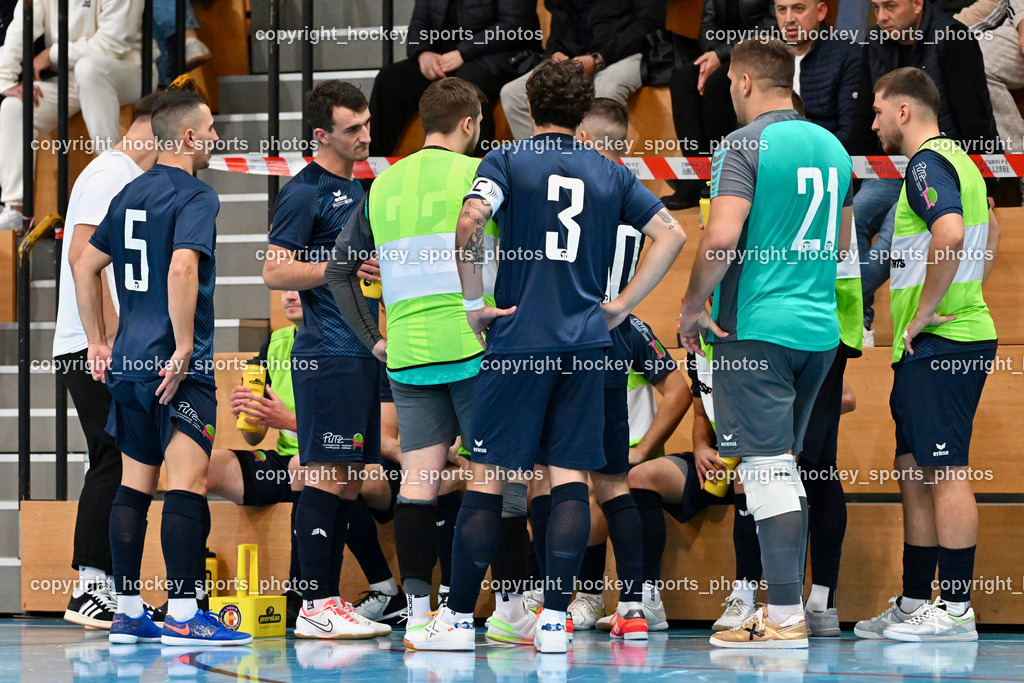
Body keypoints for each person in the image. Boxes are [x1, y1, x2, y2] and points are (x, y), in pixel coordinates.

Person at [405, 58, 686, 654]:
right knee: (568, 482)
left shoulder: (504, 160)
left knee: (487, 481)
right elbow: (674, 234)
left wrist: (475, 302)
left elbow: (468, 223)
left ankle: (455, 623)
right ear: (583, 112)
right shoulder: (610, 172)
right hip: (586, 346)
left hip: (519, 343)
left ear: (529, 108)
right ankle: (555, 623)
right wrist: (621, 305)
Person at [328, 77, 533, 642]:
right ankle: (513, 614)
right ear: (470, 124)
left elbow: (338, 271)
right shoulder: (480, 175)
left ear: (423, 122)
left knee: (418, 481)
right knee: (501, 482)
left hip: (410, 355)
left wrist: (374, 338)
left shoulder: (383, 183)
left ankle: (420, 611)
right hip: (475, 348)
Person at [677, 38, 853, 648]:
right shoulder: (832, 145)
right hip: (820, 332)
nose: (729, 94)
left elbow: (721, 238)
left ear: (747, 81)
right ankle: (785, 608)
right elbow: (843, 243)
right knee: (788, 470)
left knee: (769, 470)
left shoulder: (742, 145)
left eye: (730, 84)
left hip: (757, 330)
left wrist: (693, 304)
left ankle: (781, 616)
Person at [72, 90, 252, 646]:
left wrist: (100, 341)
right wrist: (180, 349)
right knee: (188, 485)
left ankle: (127, 612)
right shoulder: (197, 195)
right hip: (177, 368)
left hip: (127, 364)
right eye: (212, 129)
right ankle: (182, 612)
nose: (217, 138)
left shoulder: (129, 193)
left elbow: (84, 265)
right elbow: (181, 270)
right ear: (190, 138)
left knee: (132, 485)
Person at [854, 67, 998, 642]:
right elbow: (992, 235)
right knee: (914, 470)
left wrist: (926, 311)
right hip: (932, 343)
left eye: (878, 111)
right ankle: (916, 601)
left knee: (945, 469)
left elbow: (952, 235)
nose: (874, 122)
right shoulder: (964, 162)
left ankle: (957, 608)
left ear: (904, 112)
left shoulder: (926, 164)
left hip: (944, 341)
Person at [557, 99, 691, 636]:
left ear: (586, 140)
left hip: (571, 334)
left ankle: (571, 602)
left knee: (570, 477)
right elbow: (673, 237)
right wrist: (624, 305)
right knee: (608, 479)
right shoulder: (632, 193)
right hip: (609, 332)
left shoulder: (575, 184)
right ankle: (629, 603)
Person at [262, 80, 391, 640]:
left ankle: (325, 600)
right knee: (325, 476)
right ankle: (314, 603)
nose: (365, 136)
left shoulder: (362, 187)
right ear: (321, 134)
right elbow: (273, 270)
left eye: (366, 125)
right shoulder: (304, 191)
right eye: (352, 129)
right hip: (327, 354)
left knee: (346, 482)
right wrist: (336, 269)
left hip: (363, 352)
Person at [58, 91, 161, 630]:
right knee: (112, 455)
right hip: (93, 343)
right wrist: (108, 338)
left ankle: (115, 591)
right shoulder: (109, 175)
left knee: (122, 455)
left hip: (109, 342)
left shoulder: (129, 179)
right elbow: (82, 258)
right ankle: (89, 588)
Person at [850, 0, 998, 341]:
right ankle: (861, 319)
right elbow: (863, 117)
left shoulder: (953, 38)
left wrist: (985, 184)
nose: (882, 16)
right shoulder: (874, 40)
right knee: (852, 215)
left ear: (917, 5)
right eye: (875, 8)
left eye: (890, 6)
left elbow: (975, 114)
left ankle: (838, 305)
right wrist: (851, 179)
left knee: (890, 241)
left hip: (937, 164)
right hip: (887, 166)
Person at [0, 0, 153, 230]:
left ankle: (115, 184)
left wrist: (51, 54)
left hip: (127, 69)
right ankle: (16, 211)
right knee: (14, 107)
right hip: (68, 75)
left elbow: (112, 45)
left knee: (89, 70)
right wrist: (5, 78)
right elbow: (21, 26)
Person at [368, 0, 539, 156]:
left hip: (501, 57)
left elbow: (516, 25)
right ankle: (372, 172)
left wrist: (464, 52)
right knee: (389, 80)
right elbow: (419, 24)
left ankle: (479, 172)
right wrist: (422, 52)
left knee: (468, 85)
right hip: (444, 59)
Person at [661, 0, 776, 210]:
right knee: (682, 79)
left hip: (761, 54)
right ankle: (697, 178)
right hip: (722, 57)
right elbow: (707, 26)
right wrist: (711, 55)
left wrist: (722, 54)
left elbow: (772, 26)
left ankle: (725, 178)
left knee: (718, 85)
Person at [499, 0, 665, 141]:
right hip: (574, 59)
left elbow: (649, 23)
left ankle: (601, 173)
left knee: (606, 91)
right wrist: (556, 52)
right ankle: (540, 168)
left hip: (624, 53)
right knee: (514, 93)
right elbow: (559, 22)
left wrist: (599, 58)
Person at [776, 0, 860, 152]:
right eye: (781, 9)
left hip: (828, 160)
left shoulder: (848, 56)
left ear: (821, 12)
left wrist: (808, 156)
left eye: (798, 9)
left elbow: (851, 131)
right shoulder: (765, 57)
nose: (788, 19)